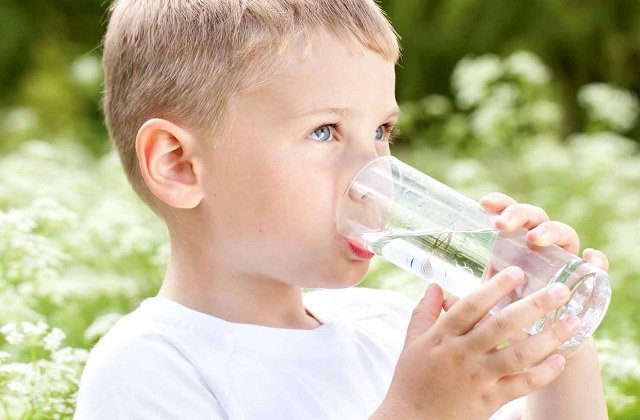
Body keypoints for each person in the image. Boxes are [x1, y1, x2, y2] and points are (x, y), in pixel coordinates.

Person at [74, 0, 609, 418]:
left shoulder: (393, 328)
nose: (372, 173)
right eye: (324, 131)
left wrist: (556, 328)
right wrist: (418, 414)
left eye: (381, 131)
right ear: (179, 165)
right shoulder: (150, 366)